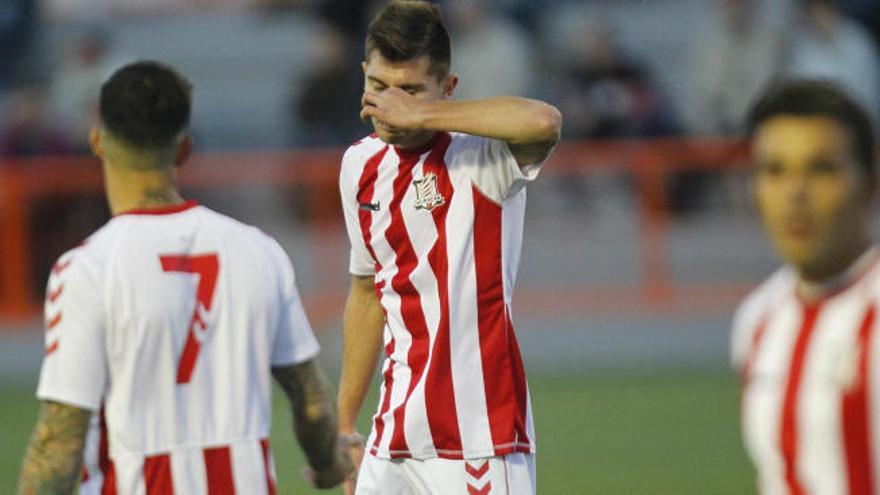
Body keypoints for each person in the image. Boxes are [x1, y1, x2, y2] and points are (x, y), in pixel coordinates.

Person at [17, 61, 350, 494]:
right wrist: (328, 467)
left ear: (97, 142)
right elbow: (311, 403)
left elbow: (58, 442)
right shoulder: (258, 250)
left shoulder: (86, 268)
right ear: (185, 149)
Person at [336, 2, 561, 494]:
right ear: (362, 75)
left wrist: (425, 114)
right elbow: (368, 293)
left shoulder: (479, 156)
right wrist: (345, 423)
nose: (392, 105)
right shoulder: (359, 166)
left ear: (447, 87)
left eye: (411, 90)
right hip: (391, 436)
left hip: (478, 438)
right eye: (378, 86)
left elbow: (544, 122)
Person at [731, 80, 880, 493]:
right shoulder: (758, 319)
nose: (795, 193)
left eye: (821, 169)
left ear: (869, 184)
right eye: (774, 171)